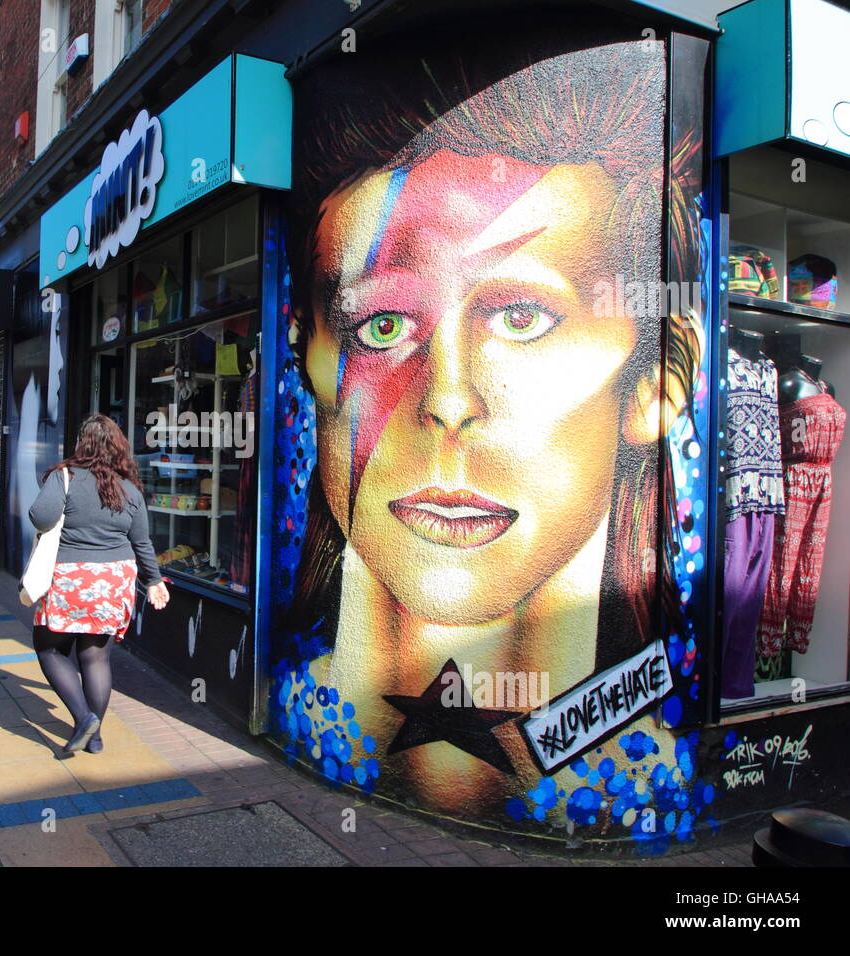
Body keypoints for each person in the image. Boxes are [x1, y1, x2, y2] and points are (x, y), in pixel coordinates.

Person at [279, 38, 704, 816]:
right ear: (307, 358)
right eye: (380, 324)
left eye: (520, 316)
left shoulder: (663, 781)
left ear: (658, 382)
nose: (448, 399)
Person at [28, 414, 169, 754]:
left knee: (49, 649)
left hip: (70, 577)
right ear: (119, 447)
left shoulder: (64, 477)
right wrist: (153, 580)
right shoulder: (130, 489)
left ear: (82, 444)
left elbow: (40, 517)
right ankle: (96, 736)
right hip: (114, 580)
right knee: (95, 658)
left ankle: (83, 718)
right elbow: (142, 542)